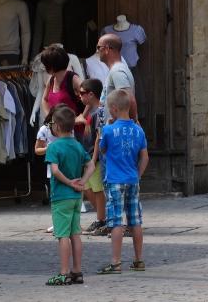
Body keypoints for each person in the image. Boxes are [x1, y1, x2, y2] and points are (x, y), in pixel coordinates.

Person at [97, 89, 149, 274]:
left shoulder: (109, 130)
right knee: (135, 221)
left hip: (114, 180)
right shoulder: (138, 130)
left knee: (116, 222)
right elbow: (144, 157)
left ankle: (116, 262)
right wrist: (138, 174)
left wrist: (104, 132)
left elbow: (102, 151)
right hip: (132, 180)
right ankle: (138, 260)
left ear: (113, 108)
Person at [45, 106, 95, 285]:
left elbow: (55, 171)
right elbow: (91, 166)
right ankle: (77, 271)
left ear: (56, 126)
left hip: (61, 196)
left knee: (62, 235)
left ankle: (64, 272)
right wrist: (81, 181)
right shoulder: (77, 145)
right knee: (75, 233)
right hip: (76, 197)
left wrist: (68, 182)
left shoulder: (53, 147)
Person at [77, 79, 107, 234]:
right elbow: (78, 119)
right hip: (87, 154)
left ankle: (102, 219)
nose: (79, 96)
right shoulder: (90, 110)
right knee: (88, 188)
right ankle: (103, 217)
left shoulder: (100, 112)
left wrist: (94, 159)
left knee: (97, 189)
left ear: (91, 94)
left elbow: (98, 137)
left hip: (93, 156)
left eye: (82, 93)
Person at [40, 45, 85, 140]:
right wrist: (50, 118)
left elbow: (90, 98)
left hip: (75, 133)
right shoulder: (52, 80)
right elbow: (44, 99)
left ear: (51, 66)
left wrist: (80, 118)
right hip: (57, 132)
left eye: (45, 65)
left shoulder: (73, 79)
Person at [96, 33, 137, 123]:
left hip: (116, 133)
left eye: (99, 47)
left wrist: (133, 125)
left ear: (107, 49)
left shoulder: (117, 71)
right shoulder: (115, 70)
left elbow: (129, 99)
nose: (97, 51)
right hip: (110, 132)